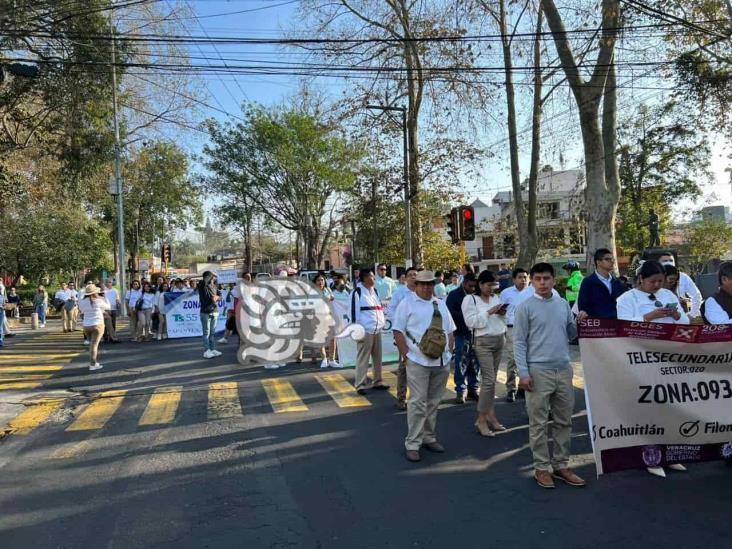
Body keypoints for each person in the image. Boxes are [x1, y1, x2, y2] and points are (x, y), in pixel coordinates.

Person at [514, 262, 585, 489]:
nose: (542, 283)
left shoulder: (563, 304)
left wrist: (579, 321)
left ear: (554, 280)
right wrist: (523, 373)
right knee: (539, 423)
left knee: (564, 421)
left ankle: (561, 464)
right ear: (532, 281)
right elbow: (519, 343)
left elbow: (571, 332)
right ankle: (541, 468)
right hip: (538, 371)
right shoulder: (525, 307)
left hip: (563, 369)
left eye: (546, 278)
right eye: (538, 279)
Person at [616, 260, 689, 478]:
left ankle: (671, 454)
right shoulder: (626, 299)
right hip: (643, 358)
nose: (657, 285)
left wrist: (676, 315)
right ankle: (651, 457)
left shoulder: (668, 295)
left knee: (671, 407)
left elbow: (684, 324)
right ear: (641, 279)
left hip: (670, 357)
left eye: (660, 281)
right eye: (652, 281)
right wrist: (650, 316)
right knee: (649, 408)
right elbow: (624, 327)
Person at [393, 271, 456, 463]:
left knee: (434, 402)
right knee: (418, 402)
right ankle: (412, 443)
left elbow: (450, 331)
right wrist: (407, 355)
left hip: (441, 362)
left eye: (430, 284)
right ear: (416, 285)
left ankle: (429, 437)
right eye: (423, 284)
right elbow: (398, 331)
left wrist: (449, 353)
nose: (427, 287)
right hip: (418, 361)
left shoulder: (440, 303)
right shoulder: (407, 304)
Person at [462, 270, 507, 436]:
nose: (492, 289)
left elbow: (503, 320)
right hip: (483, 342)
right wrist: (489, 312)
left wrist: (502, 313)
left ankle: (491, 416)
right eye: (489, 285)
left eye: (494, 286)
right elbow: (471, 322)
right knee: (488, 381)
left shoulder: (496, 298)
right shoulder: (470, 299)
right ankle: (481, 419)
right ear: (480, 285)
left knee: (492, 381)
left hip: (499, 339)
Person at [351, 268, 389, 394]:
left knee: (378, 357)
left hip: (377, 330)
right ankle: (360, 384)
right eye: (372, 277)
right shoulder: (357, 292)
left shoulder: (375, 291)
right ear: (365, 278)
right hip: (365, 330)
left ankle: (377, 381)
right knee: (363, 357)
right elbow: (353, 313)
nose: (374, 279)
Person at [388, 267, 418, 408]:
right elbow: (391, 310)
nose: (413, 277)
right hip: (404, 334)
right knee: (404, 366)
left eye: (415, 275)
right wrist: (400, 327)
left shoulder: (422, 291)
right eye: (410, 275)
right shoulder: (400, 292)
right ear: (405, 278)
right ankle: (401, 397)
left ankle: (417, 397)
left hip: (420, 335)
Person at [445, 273, 478, 403]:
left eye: (475, 286)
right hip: (460, 333)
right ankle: (460, 391)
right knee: (461, 362)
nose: (473, 289)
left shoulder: (477, 295)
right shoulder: (454, 295)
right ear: (464, 283)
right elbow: (449, 314)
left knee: (475, 363)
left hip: (476, 334)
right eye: (470, 286)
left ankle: (473, 389)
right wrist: (467, 315)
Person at [499, 268, 530, 402]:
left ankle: (524, 387)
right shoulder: (506, 293)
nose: (523, 280)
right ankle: (511, 389)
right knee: (513, 359)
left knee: (529, 359)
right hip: (512, 329)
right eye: (520, 277)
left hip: (530, 330)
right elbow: (500, 311)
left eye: (525, 277)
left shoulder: (532, 292)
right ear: (513, 279)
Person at [576, 249, 627, 320]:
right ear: (598, 262)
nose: (612, 261)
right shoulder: (588, 282)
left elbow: (624, 304)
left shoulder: (617, 282)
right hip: (598, 327)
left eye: (612, 259)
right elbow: (583, 306)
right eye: (607, 259)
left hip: (617, 325)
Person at [658, 253, 702, 318]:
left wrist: (692, 314)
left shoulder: (683, 277)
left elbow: (696, 295)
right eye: (665, 261)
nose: (668, 262)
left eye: (671, 260)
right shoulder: (653, 278)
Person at [78, 283, 110, 371]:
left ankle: (94, 362)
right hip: (97, 324)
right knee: (94, 345)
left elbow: (82, 311)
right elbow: (108, 307)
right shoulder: (98, 300)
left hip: (86, 326)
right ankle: (92, 364)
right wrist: (104, 297)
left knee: (92, 345)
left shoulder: (82, 302)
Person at [198, 271, 222, 359]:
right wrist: (214, 298)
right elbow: (212, 298)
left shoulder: (215, 286)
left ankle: (212, 349)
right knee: (206, 332)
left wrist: (216, 297)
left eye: (212, 277)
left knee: (212, 333)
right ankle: (206, 351)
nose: (212, 278)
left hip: (215, 311)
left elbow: (220, 296)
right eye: (210, 277)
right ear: (205, 277)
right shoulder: (201, 285)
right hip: (205, 312)